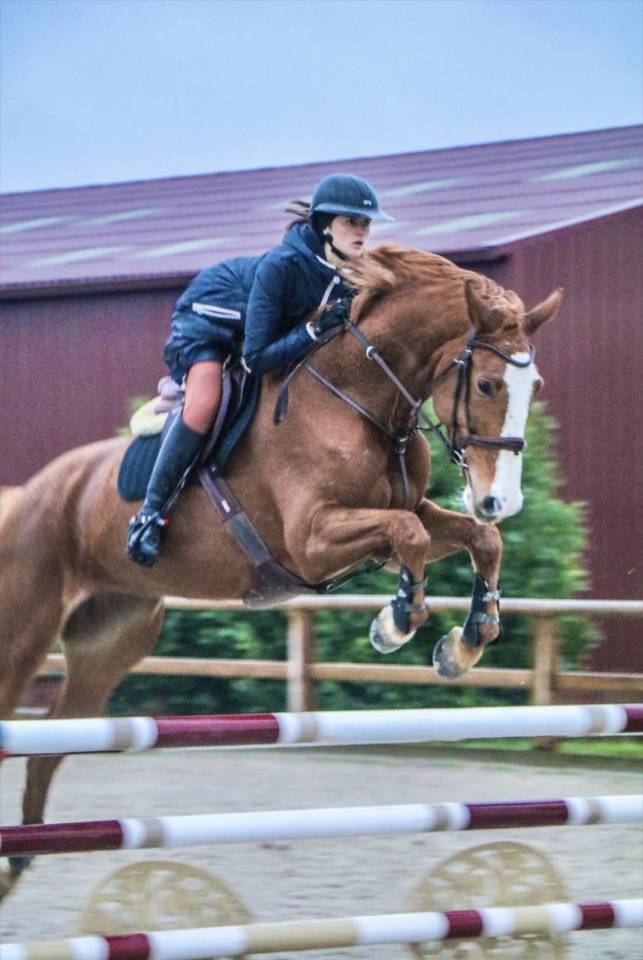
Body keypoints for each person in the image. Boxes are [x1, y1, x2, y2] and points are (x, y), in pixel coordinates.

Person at [126, 174, 393, 566]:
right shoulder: (282, 266)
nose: (362, 231)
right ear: (324, 226)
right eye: (351, 222)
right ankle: (150, 516)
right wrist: (315, 329)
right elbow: (258, 359)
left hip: (255, 327)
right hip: (208, 319)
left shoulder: (349, 273)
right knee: (204, 402)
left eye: (366, 223)